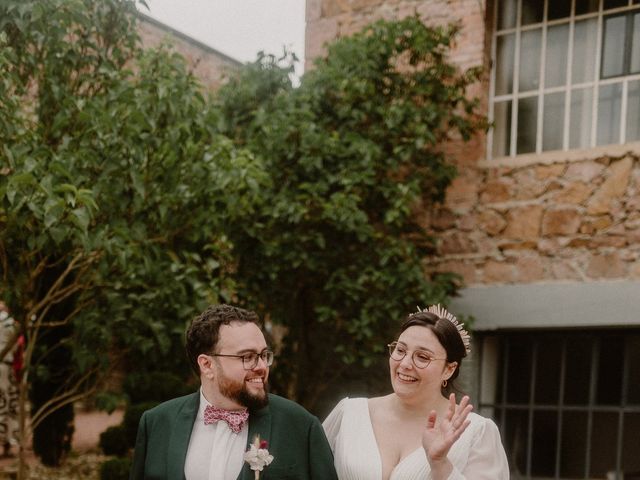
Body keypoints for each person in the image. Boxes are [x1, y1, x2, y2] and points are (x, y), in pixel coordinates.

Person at [130, 304, 338, 480]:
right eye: (247, 357)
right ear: (207, 365)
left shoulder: (301, 425)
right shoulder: (156, 423)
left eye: (264, 355)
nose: (262, 366)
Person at [323, 305, 509, 480]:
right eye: (400, 350)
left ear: (449, 369)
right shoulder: (349, 414)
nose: (404, 364)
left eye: (422, 357)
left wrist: (440, 464)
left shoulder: (476, 433)